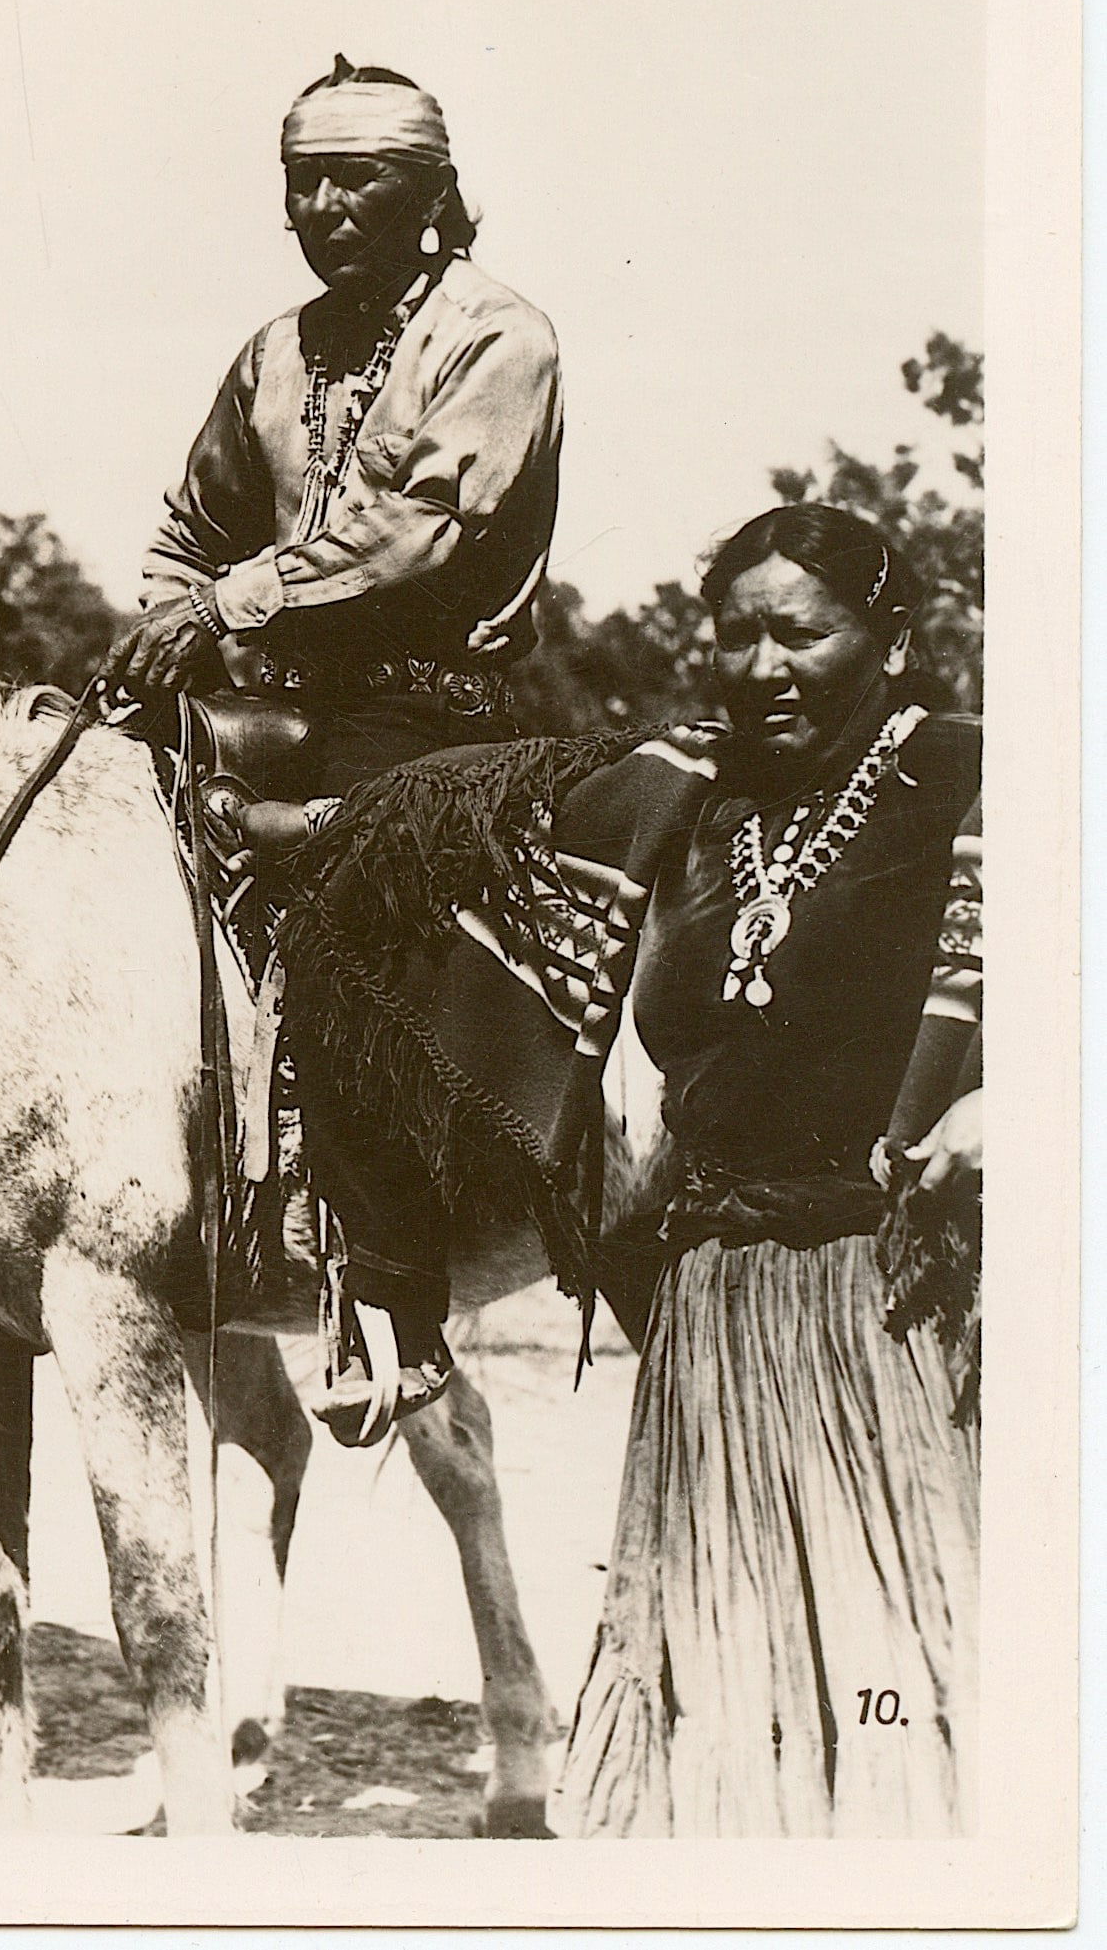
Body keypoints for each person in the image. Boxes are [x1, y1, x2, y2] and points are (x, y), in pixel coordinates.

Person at [110, 56, 563, 1436]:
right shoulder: (272, 352)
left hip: (425, 708)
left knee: (343, 920)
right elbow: (191, 527)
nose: (322, 207)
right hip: (266, 699)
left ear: (428, 189)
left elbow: (419, 530)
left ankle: (390, 1283)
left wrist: (227, 606)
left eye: (354, 179)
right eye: (302, 182)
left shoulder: (498, 336)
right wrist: (164, 628)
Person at [551, 503, 981, 1837]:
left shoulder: (964, 773)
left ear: (890, 642)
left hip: (889, 1307)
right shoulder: (692, 804)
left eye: (800, 633)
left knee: (900, 1660)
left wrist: (991, 1111)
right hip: (713, 1313)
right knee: (726, 1685)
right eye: (735, 637)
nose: (761, 666)